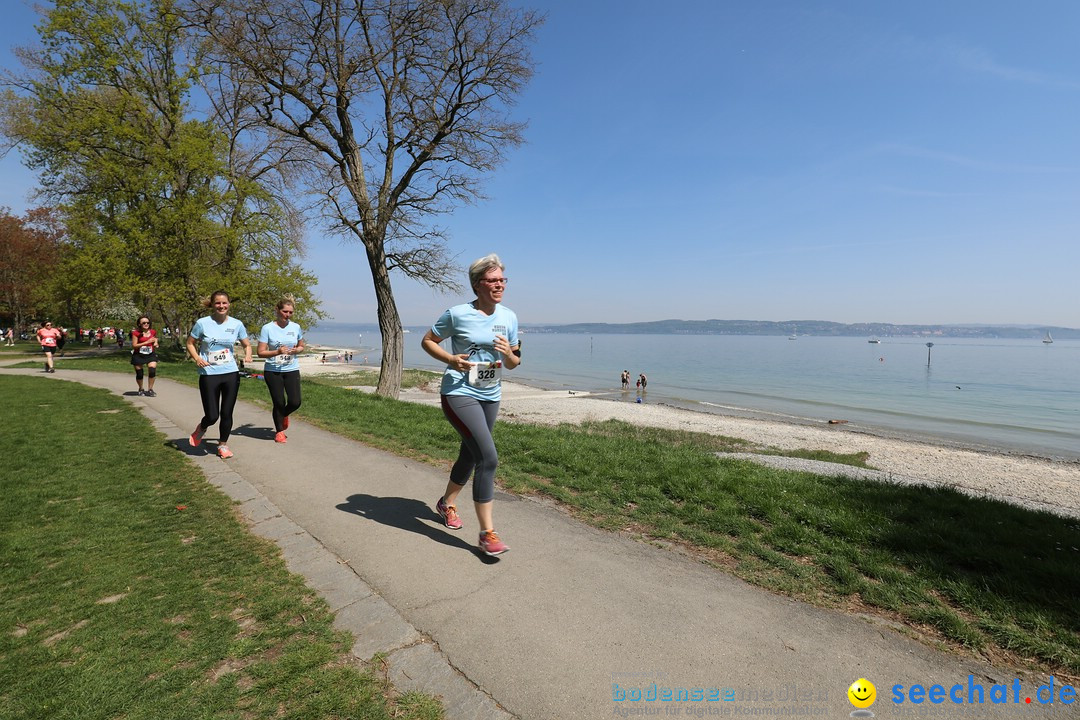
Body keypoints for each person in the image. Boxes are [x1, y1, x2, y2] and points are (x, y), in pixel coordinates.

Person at [422, 253, 520, 557]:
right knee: (488, 458)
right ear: (478, 285)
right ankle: (487, 534)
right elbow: (428, 340)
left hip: (490, 394)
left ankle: (446, 503)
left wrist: (507, 354)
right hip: (459, 392)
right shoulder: (457, 314)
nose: (500, 284)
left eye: (503, 279)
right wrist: (451, 359)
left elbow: (515, 362)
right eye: (493, 280)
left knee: (469, 454)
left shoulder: (510, 317)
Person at [186, 290, 252, 459]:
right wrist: (197, 358)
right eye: (218, 303)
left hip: (230, 372)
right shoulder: (203, 323)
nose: (221, 306)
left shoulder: (237, 324)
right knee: (212, 415)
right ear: (213, 305)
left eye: (224, 303)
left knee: (227, 412)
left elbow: (247, 344)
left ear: (229, 304)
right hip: (209, 373)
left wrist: (248, 354)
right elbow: (190, 343)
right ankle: (202, 427)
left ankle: (223, 445)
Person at [256, 297, 305, 444]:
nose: (288, 315)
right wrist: (277, 352)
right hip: (273, 370)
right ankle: (279, 431)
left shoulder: (295, 327)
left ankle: (283, 415)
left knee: (295, 402)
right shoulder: (267, 328)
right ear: (277, 310)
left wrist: (297, 350)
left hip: (291, 369)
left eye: (290, 312)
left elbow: (302, 346)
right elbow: (260, 352)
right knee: (278, 401)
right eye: (285, 311)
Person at [130, 315, 160, 396]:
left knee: (152, 371)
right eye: (144, 323)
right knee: (139, 374)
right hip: (138, 355)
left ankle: (150, 389)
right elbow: (134, 345)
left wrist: (156, 343)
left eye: (148, 322)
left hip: (150, 354)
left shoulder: (153, 332)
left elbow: (154, 339)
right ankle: (141, 388)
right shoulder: (136, 333)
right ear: (139, 324)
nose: (146, 324)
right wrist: (146, 342)